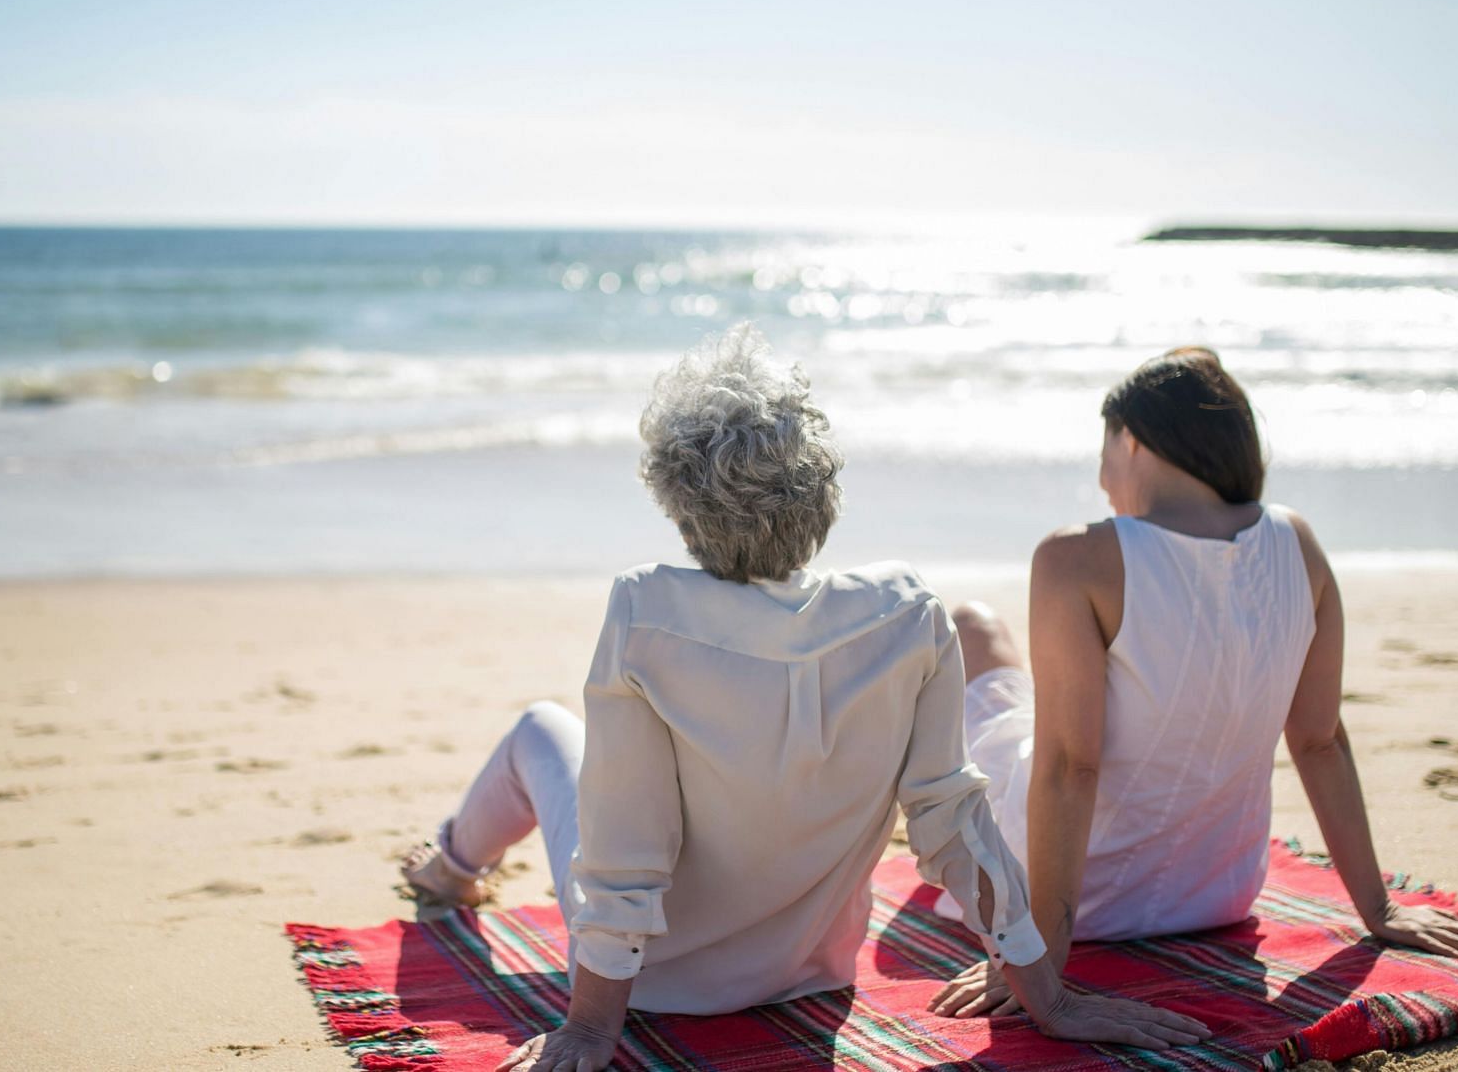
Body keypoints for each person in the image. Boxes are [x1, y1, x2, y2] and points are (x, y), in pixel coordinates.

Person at [400, 325, 1211, 1071]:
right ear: (822, 488)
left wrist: (591, 1026)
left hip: (651, 984)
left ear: (682, 506)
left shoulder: (647, 612)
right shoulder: (908, 614)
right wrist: (1050, 995)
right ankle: (450, 867)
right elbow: (955, 827)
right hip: (813, 973)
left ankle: (451, 869)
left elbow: (625, 849)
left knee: (541, 728)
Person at [927, 347, 1458, 1019]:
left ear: (1132, 440)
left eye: (1105, 451)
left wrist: (1043, 962)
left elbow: (1069, 768)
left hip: (1067, 896)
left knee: (968, 626)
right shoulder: (1299, 543)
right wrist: (1377, 907)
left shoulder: (1075, 555)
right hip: (1217, 894)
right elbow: (1319, 740)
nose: (1104, 480)